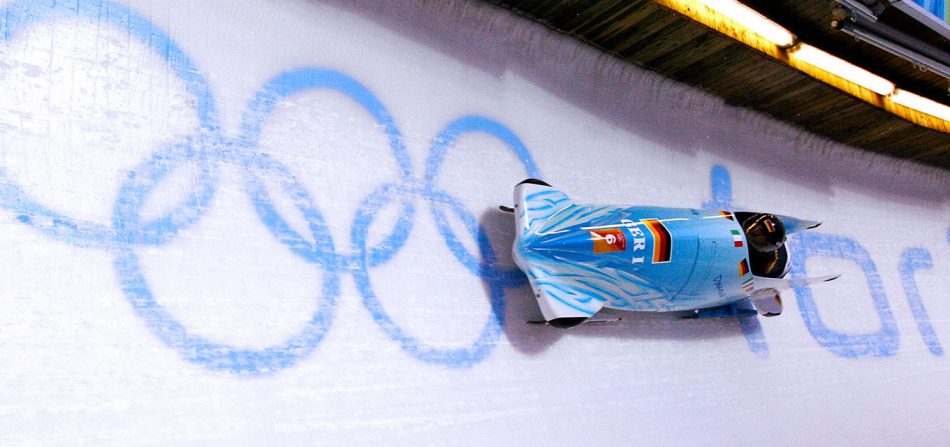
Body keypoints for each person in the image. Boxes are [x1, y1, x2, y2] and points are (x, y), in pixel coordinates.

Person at [742, 213, 787, 278]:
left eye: (761, 239)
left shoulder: (763, 265)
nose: (755, 234)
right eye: (757, 231)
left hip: (777, 267)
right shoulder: (748, 220)